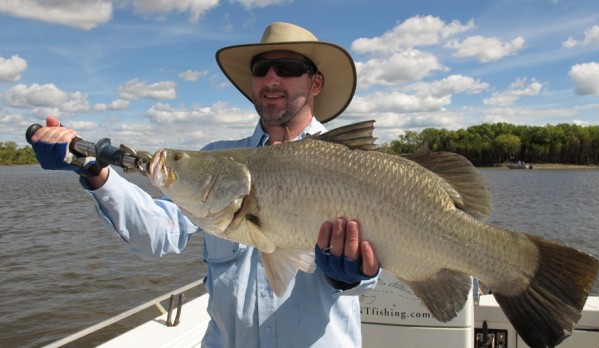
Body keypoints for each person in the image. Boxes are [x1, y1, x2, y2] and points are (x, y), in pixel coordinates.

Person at [30, 22, 380, 347]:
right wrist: (95, 173)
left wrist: (352, 277)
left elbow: (384, 259)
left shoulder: (356, 166)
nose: (271, 79)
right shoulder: (216, 161)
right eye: (261, 69)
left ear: (315, 83)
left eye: (287, 68)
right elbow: (158, 233)